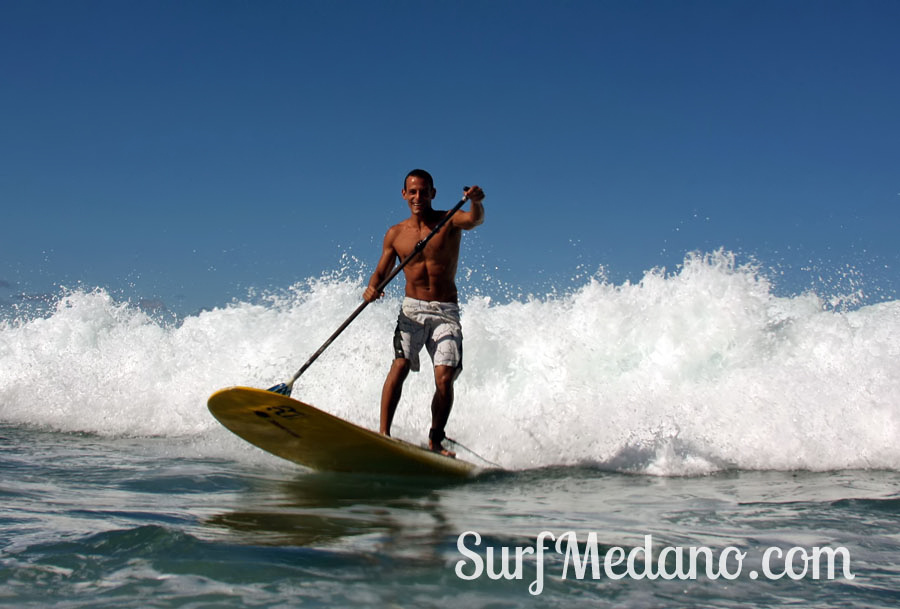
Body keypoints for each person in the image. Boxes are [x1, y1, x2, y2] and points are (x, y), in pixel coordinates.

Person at [363, 169, 485, 456]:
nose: (418, 197)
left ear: (433, 193)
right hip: (412, 311)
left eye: (423, 191)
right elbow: (380, 272)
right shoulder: (395, 234)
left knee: (445, 377)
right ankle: (384, 435)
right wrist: (371, 289)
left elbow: (474, 219)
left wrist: (476, 202)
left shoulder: (449, 220)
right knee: (401, 365)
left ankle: (436, 440)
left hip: (446, 311)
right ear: (404, 194)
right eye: (412, 192)